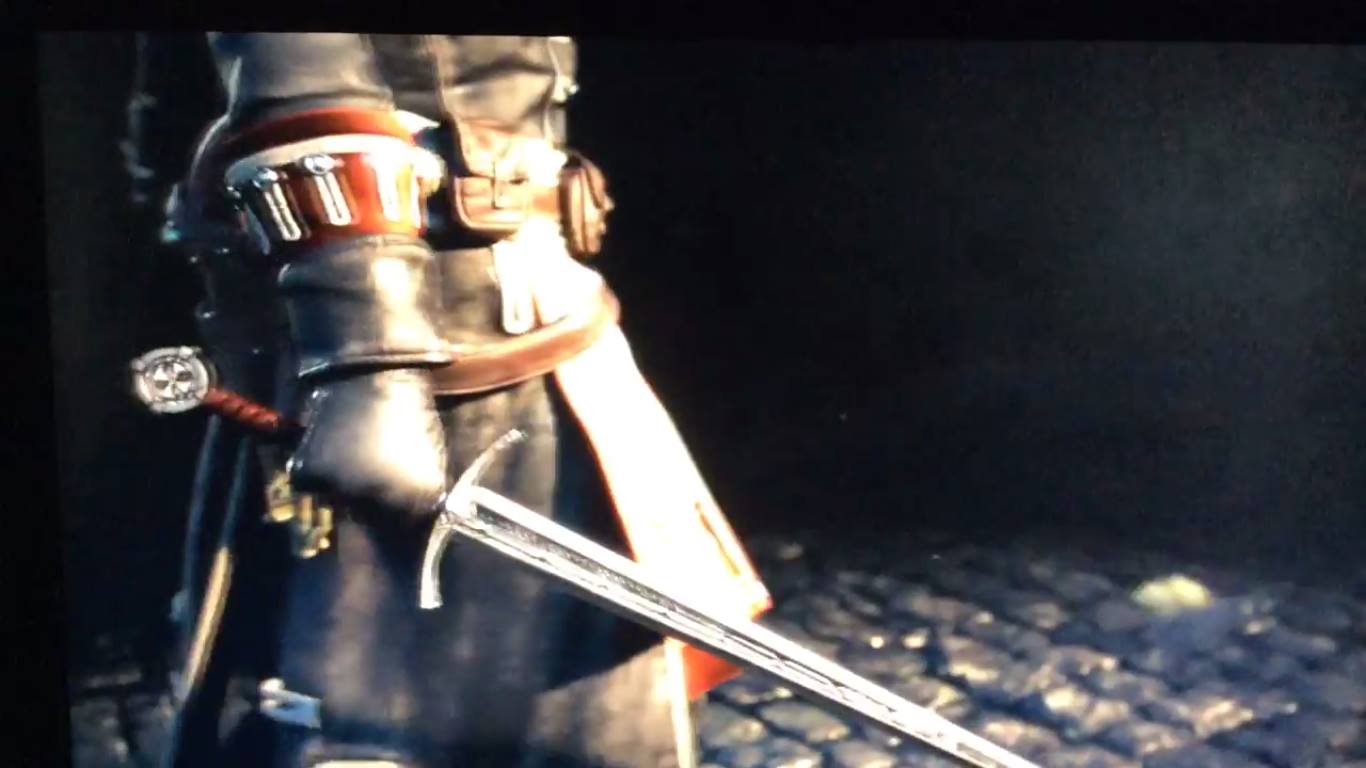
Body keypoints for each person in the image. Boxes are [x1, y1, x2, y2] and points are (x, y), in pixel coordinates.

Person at [124, 32, 771, 768]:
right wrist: (370, 359)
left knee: (570, 707)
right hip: (423, 359)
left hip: (529, 319)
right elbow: (296, 59)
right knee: (385, 725)